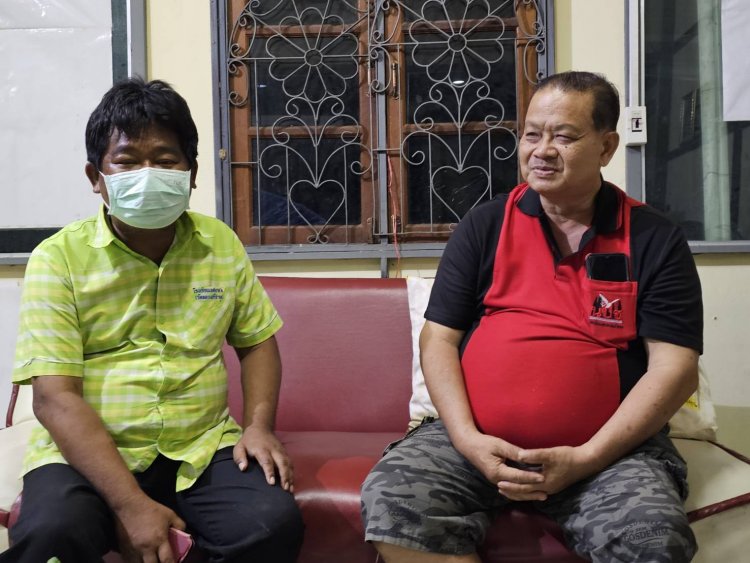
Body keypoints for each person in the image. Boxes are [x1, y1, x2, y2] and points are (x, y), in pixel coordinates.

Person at [361, 71, 702, 562]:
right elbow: (438, 340)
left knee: (653, 538)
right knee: (394, 500)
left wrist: (587, 457)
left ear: (606, 147)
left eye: (564, 136)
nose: (542, 150)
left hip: (609, 455)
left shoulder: (653, 237)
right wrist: (468, 440)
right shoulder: (485, 225)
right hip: (474, 444)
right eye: (532, 134)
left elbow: (675, 368)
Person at [4, 78, 303, 563]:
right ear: (96, 176)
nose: (148, 175)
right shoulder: (57, 259)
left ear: (192, 173)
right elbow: (55, 398)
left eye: (165, 160)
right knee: (51, 533)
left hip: (200, 444)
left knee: (270, 525)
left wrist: (259, 426)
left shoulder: (220, 244)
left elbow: (257, 342)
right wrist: (131, 505)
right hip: (87, 453)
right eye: (126, 161)